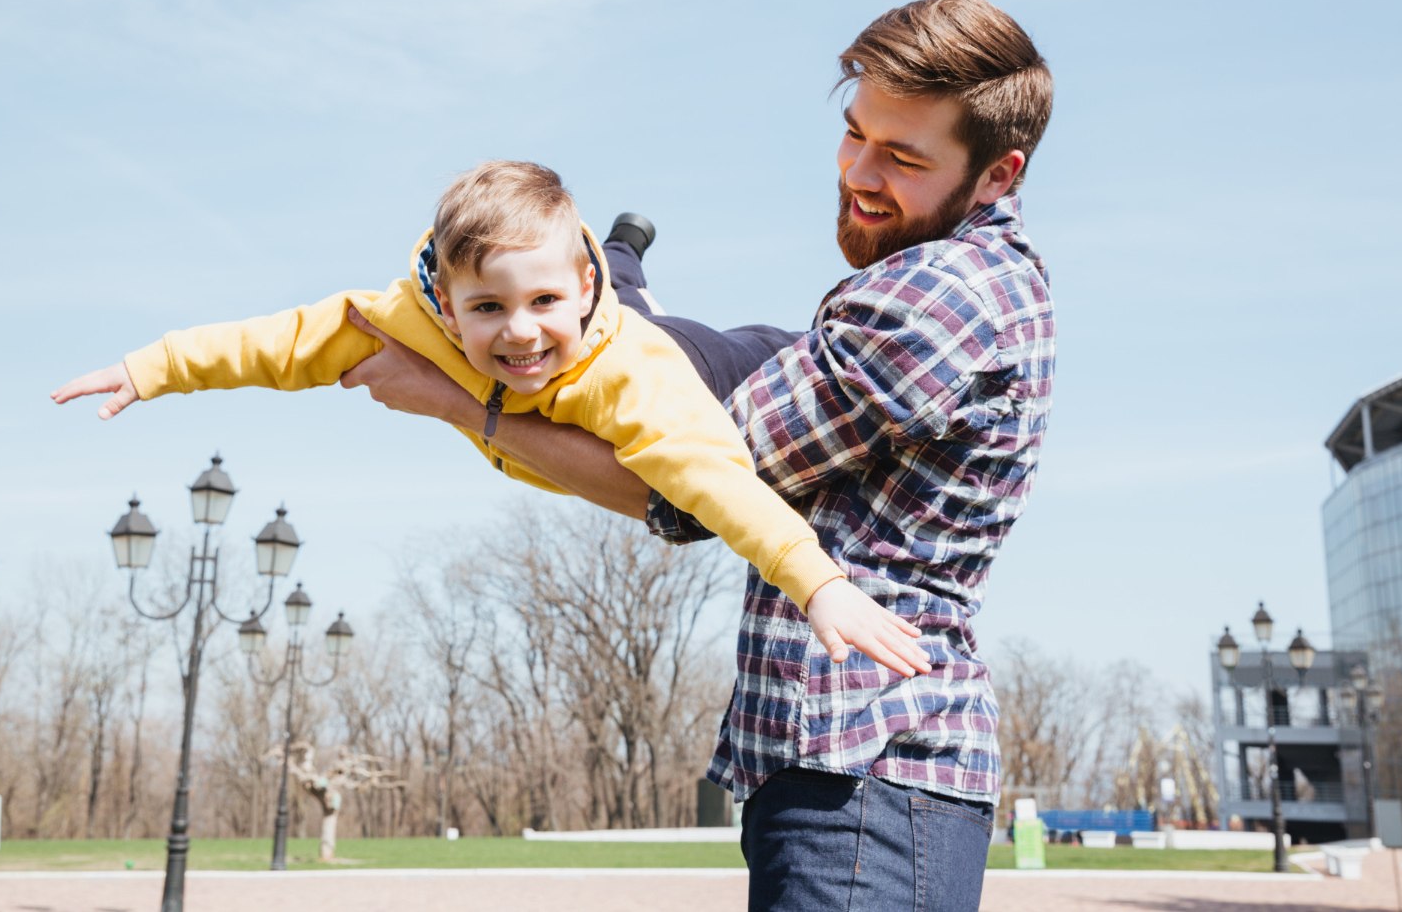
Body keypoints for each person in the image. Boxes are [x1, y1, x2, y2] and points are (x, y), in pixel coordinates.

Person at [337, 0, 1055, 911]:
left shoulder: (930, 303)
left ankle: (623, 291)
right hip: (857, 778)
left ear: (998, 174)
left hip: (864, 777)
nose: (858, 171)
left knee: (667, 349)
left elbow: (675, 484)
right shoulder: (960, 282)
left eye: (903, 157)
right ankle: (626, 293)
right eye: (855, 133)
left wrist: (452, 399)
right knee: (689, 346)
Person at [51, 160, 930, 677]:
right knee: (607, 295)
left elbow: (715, 485)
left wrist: (819, 582)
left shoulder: (638, 379)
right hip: (595, 299)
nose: (518, 335)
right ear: (442, 296)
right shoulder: (403, 314)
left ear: (576, 288)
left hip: (711, 362)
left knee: (706, 339)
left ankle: (622, 255)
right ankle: (622, 248)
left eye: (543, 299)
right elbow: (275, 342)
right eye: (486, 309)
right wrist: (152, 367)